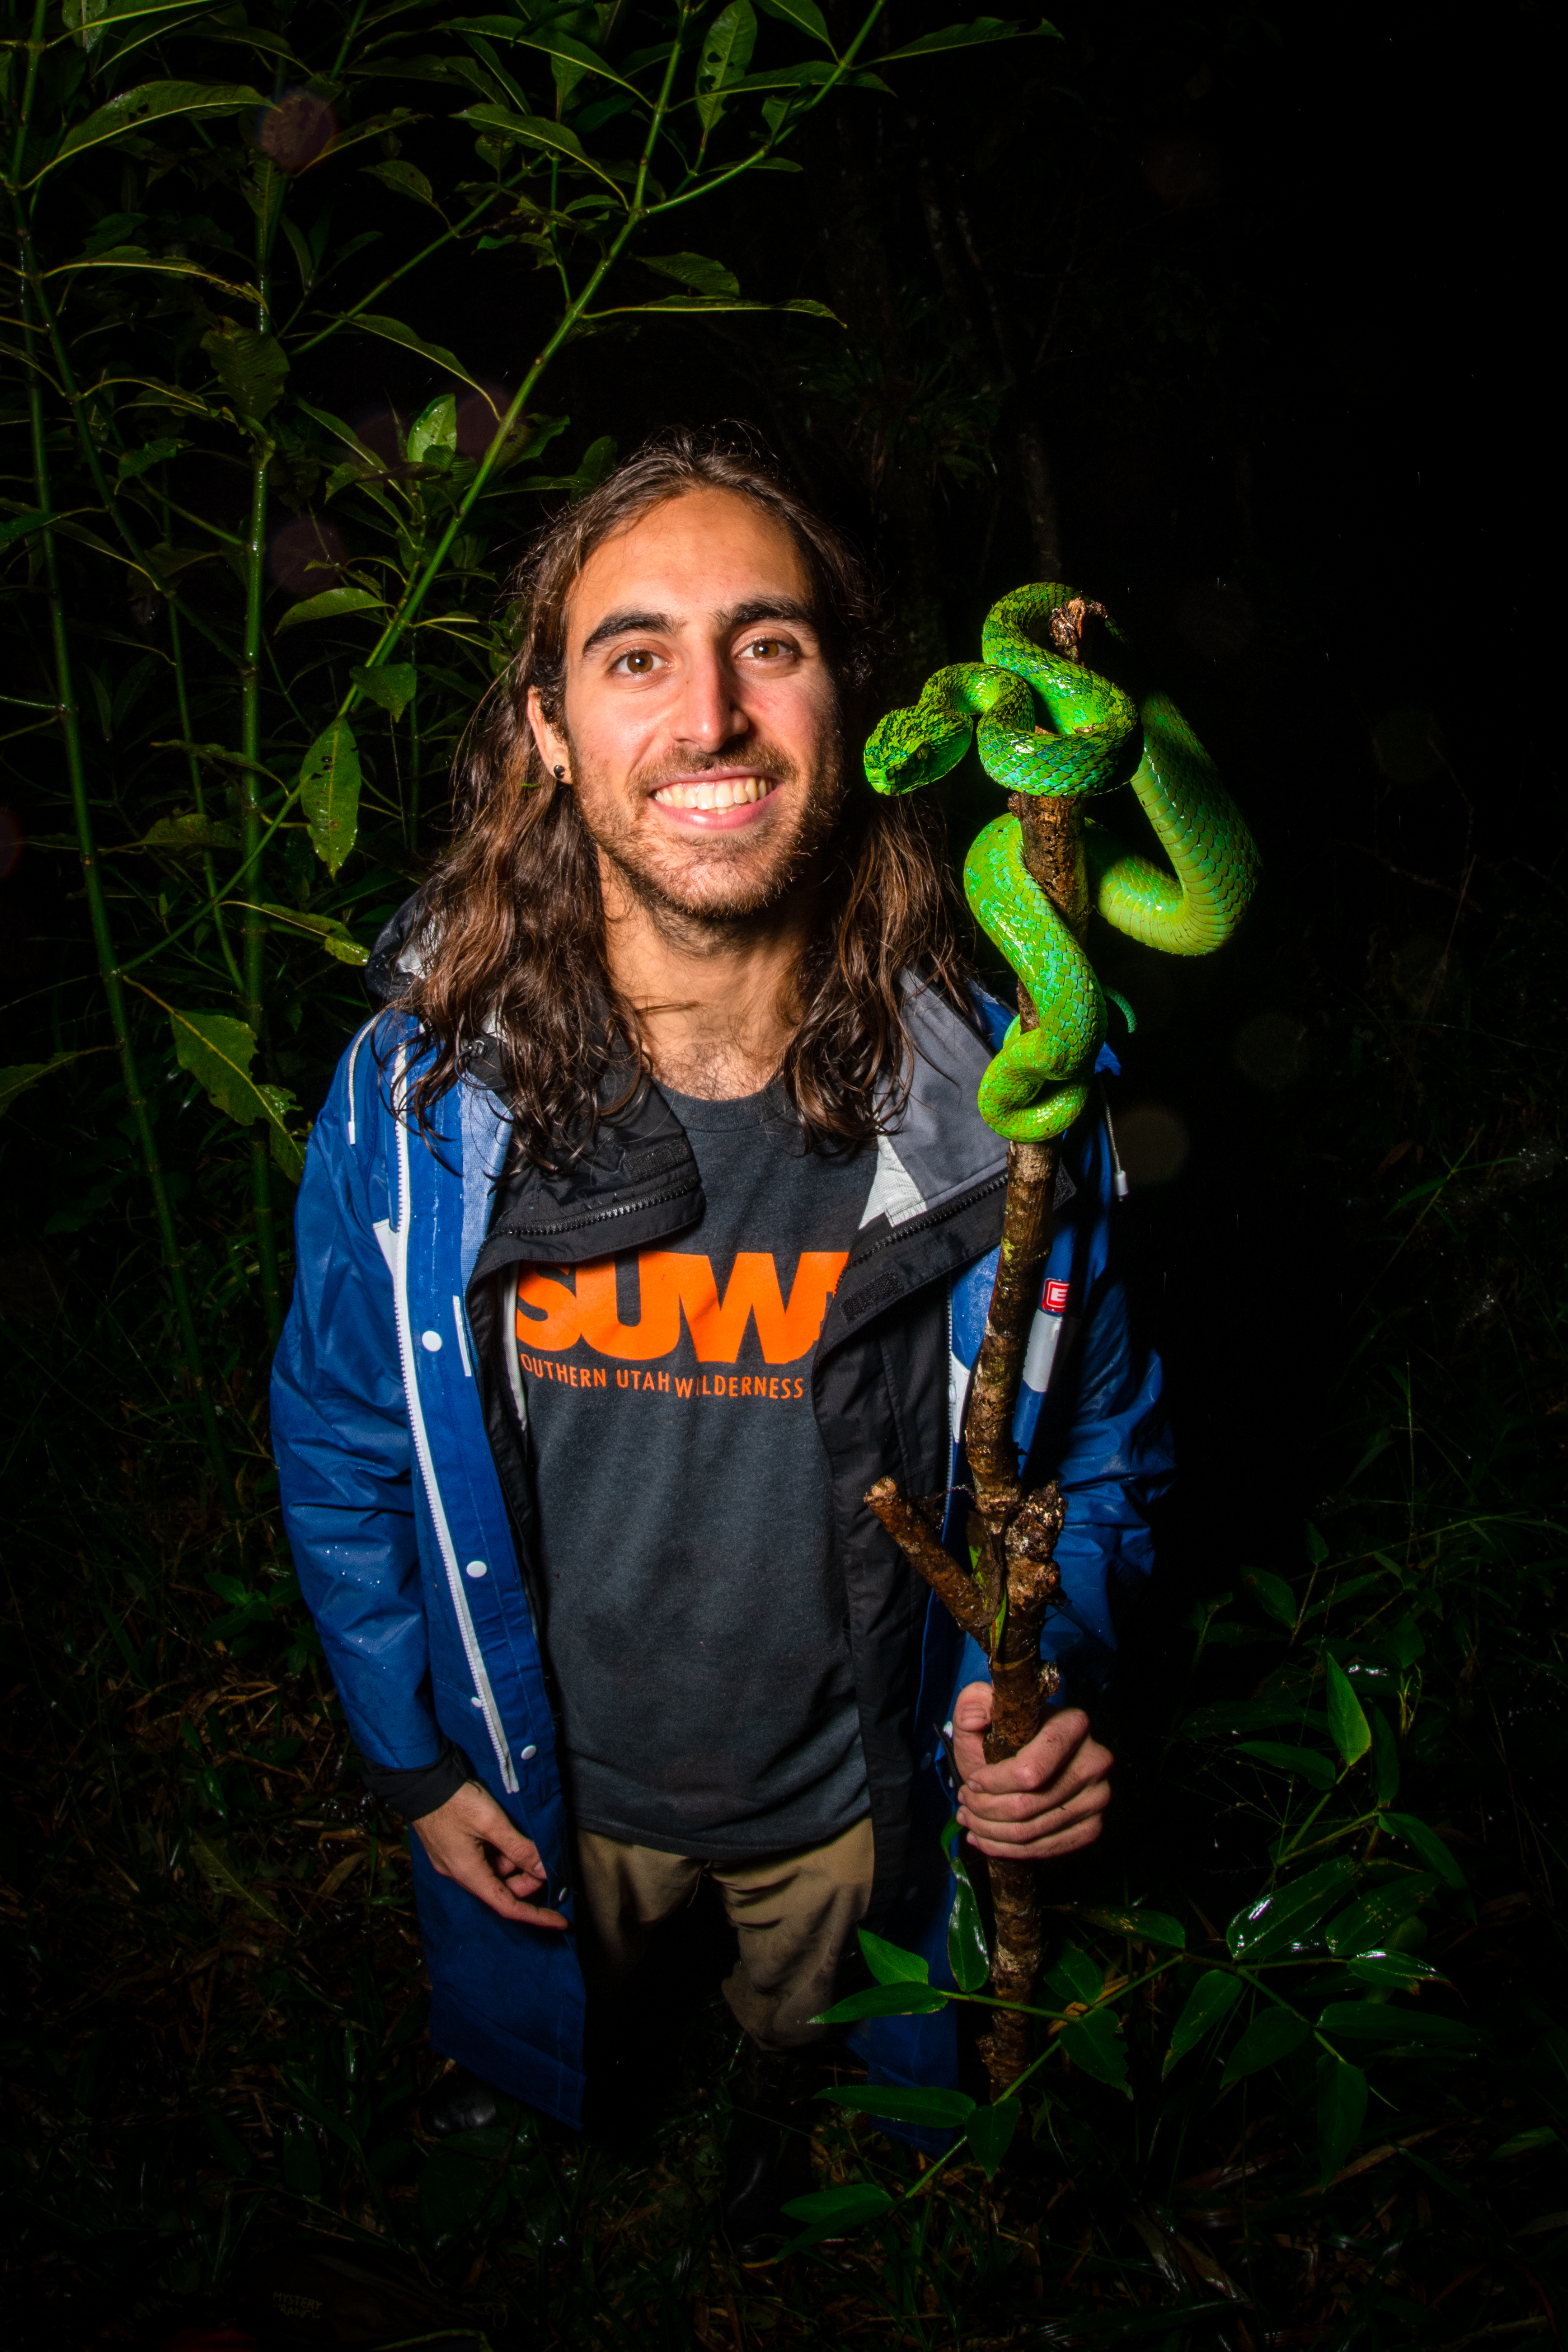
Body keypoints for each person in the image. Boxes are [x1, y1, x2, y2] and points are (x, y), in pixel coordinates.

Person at [271, 429, 1171, 2253]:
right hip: (545, 1777)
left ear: (849, 692)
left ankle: (782, 2096)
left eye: (767, 643)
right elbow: (344, 1438)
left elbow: (1096, 1458)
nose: (710, 716)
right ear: (542, 723)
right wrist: (415, 1765)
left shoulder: (1009, 1103)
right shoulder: (418, 1104)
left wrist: (1036, 1674)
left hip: (858, 1791)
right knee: (551, 2032)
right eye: (633, 655)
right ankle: (539, 2104)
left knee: (819, 2035)